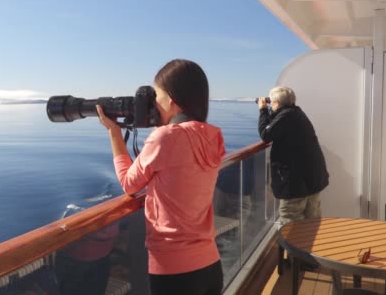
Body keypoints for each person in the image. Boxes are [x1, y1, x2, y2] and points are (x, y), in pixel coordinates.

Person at [96, 59, 226, 295]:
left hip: (174, 268)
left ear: (171, 100)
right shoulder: (211, 136)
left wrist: (114, 133)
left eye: (156, 96)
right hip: (209, 263)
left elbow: (129, 184)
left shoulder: (165, 138)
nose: (153, 103)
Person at [257, 86, 329, 225]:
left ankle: (293, 248)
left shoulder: (286, 116)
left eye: (271, 101)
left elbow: (266, 135)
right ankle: (309, 247)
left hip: (296, 185)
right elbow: (276, 124)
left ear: (277, 103)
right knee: (311, 224)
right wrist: (269, 110)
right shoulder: (296, 113)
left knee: (291, 228)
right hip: (312, 180)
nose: (269, 104)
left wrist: (263, 110)